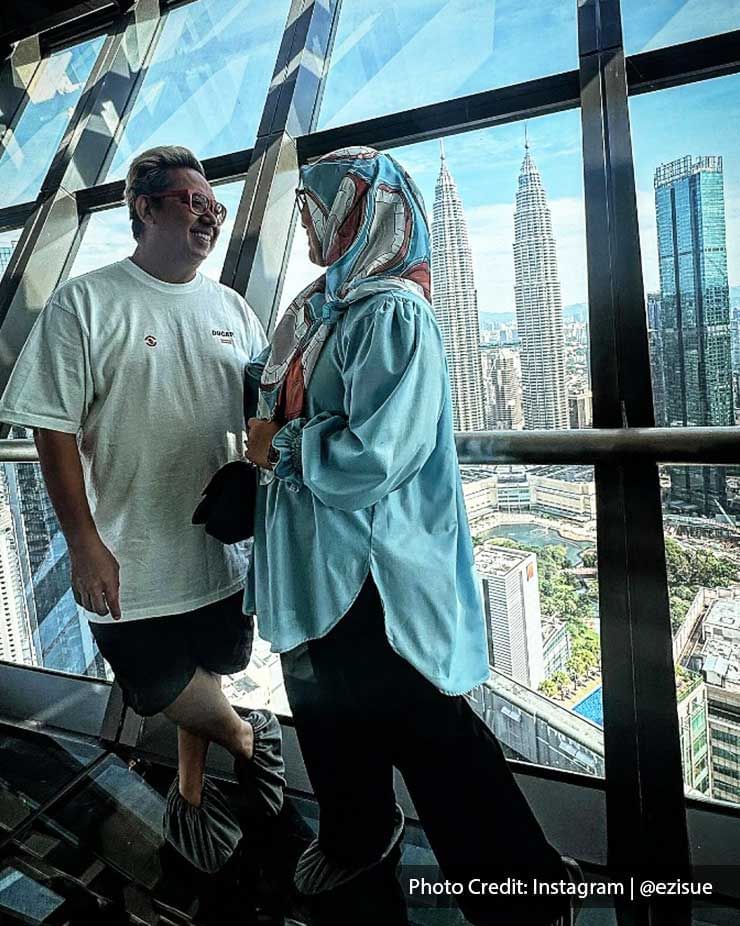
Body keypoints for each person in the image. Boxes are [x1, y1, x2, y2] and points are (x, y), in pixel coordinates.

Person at [244, 146, 582, 925]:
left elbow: (378, 455)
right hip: (314, 561)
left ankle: (522, 887)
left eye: (316, 208)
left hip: (374, 570)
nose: (304, 223)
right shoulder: (318, 308)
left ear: (364, 210)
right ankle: (356, 836)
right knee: (328, 717)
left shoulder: (390, 312)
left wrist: (281, 447)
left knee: (432, 737)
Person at [0, 145, 284, 874]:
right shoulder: (86, 302)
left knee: (208, 669)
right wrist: (84, 542)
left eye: (214, 206)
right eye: (191, 201)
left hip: (216, 552)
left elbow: (265, 409)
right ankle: (251, 740)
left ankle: (190, 798)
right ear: (144, 208)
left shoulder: (231, 309)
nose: (209, 215)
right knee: (158, 688)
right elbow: (50, 423)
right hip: (126, 557)